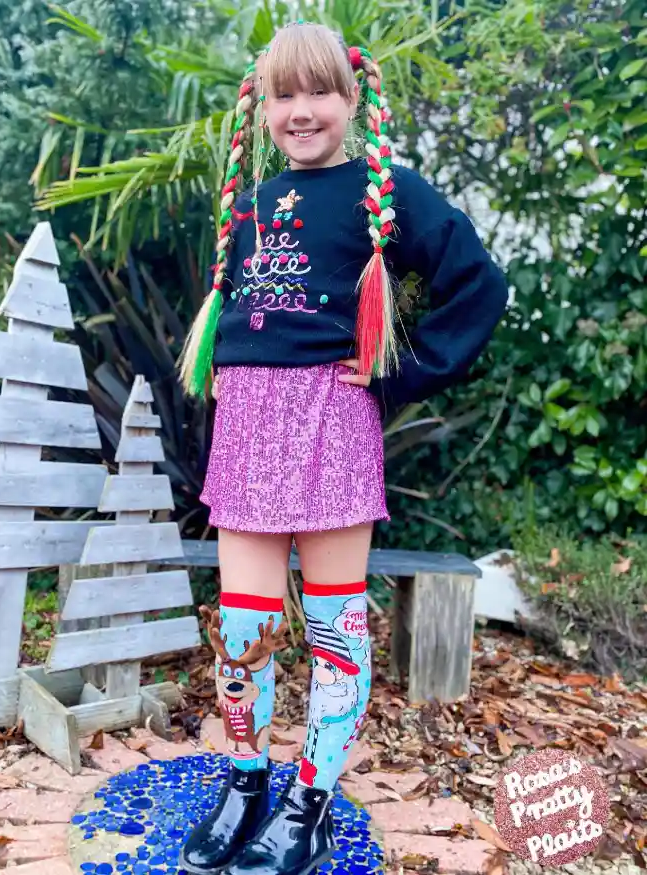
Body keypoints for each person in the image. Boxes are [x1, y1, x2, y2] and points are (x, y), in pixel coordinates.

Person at [177, 20, 508, 875]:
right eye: (284, 94)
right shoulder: (248, 203)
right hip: (249, 434)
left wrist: (402, 374)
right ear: (264, 107)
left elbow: (479, 281)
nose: (301, 110)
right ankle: (247, 780)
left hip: (332, 426)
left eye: (319, 91)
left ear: (351, 99)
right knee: (242, 631)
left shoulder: (383, 190)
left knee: (334, 628)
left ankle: (311, 797)